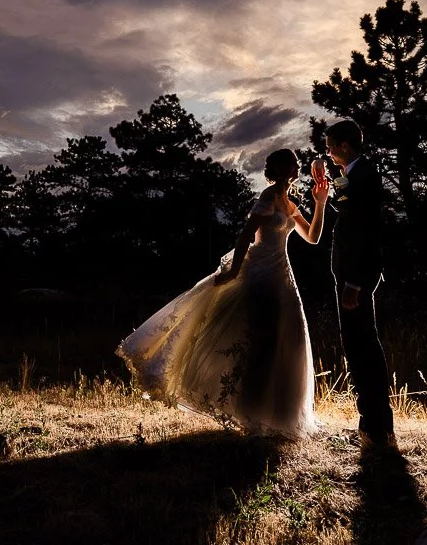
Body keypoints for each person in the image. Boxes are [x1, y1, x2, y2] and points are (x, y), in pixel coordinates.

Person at [116, 148, 329, 438]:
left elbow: (313, 238)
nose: (298, 166)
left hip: (282, 274)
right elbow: (245, 235)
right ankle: (250, 413)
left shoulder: (290, 204)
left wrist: (320, 203)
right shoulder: (267, 198)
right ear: (280, 169)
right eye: (293, 162)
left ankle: (278, 415)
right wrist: (232, 272)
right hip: (259, 274)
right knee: (259, 342)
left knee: (285, 341)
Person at [323, 119, 396, 450]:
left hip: (357, 275)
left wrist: (353, 282)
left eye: (330, 145)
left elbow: (364, 231)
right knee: (360, 348)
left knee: (362, 348)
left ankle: (376, 428)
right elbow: (343, 203)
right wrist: (328, 179)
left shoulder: (365, 175)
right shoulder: (356, 173)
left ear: (345, 146)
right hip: (352, 274)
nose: (327, 150)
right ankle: (373, 427)